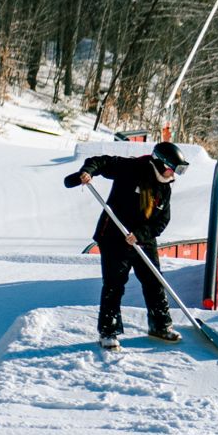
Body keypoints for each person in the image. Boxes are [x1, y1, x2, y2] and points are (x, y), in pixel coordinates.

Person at [65, 139, 188, 349]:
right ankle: (108, 332)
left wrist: (140, 234)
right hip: (114, 236)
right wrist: (88, 172)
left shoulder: (165, 187)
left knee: (154, 281)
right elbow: (101, 162)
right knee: (114, 284)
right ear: (160, 163)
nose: (173, 175)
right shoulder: (131, 168)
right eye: (171, 169)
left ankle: (160, 326)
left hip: (143, 239)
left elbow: (162, 220)